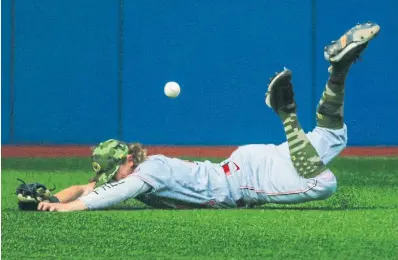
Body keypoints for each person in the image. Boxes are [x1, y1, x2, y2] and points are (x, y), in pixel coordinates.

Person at [38, 22, 380, 212]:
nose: (117, 176)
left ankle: (286, 115)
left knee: (324, 184)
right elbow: (89, 187)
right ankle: (339, 70)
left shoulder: (149, 170)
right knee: (334, 136)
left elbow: (108, 194)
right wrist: (49, 201)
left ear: (129, 158)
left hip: (244, 182)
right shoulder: (135, 169)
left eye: (118, 169)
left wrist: (70, 210)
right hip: (248, 162)